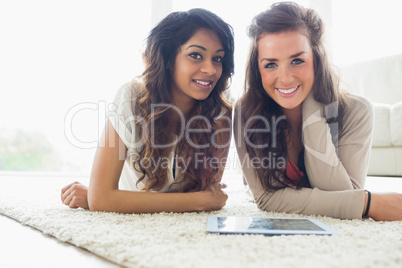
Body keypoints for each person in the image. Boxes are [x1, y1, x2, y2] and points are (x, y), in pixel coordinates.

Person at [234, 2, 402, 221]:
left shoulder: (358, 112)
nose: (285, 78)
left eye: (297, 61)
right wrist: (367, 202)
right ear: (257, 70)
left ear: (317, 60)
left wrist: (315, 103)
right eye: (270, 64)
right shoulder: (246, 111)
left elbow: (342, 194)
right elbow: (267, 200)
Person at [61, 8, 234, 213]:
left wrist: (108, 199)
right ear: (168, 59)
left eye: (218, 58)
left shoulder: (222, 105)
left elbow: (205, 192)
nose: (211, 69)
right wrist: (101, 198)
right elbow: (205, 200)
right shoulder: (132, 97)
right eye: (195, 55)